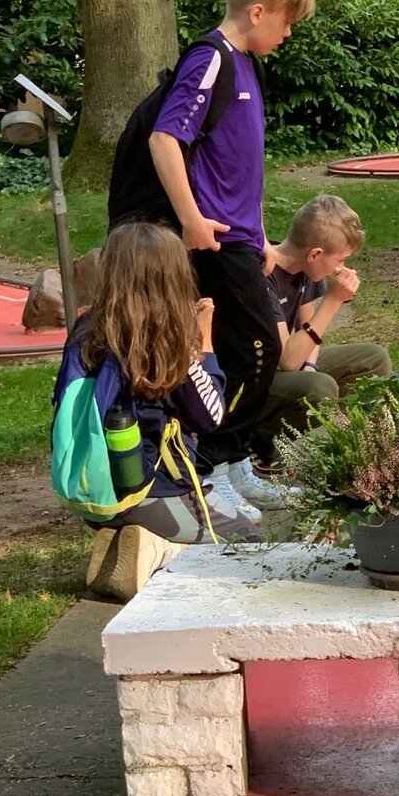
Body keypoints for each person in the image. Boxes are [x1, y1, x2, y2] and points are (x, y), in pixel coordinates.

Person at [149, 0, 315, 519]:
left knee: (246, 353)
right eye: (286, 22)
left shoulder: (249, 65)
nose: (288, 34)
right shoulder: (211, 59)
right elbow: (165, 138)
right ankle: (213, 464)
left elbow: (242, 164)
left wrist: (262, 234)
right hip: (214, 240)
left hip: (243, 237)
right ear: (258, 11)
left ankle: (232, 462)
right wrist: (192, 219)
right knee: (260, 350)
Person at [63, 223, 262, 600]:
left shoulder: (86, 330)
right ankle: (162, 550)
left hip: (92, 487)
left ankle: (121, 538)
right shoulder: (166, 342)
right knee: (249, 542)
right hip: (152, 491)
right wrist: (204, 344)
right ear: (173, 278)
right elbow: (211, 416)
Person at [250, 194, 392, 464]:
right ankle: (261, 441)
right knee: (319, 387)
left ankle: (351, 439)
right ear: (315, 254)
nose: (341, 268)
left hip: (282, 368)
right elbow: (288, 359)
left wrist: (311, 366)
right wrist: (333, 301)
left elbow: (307, 331)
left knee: (374, 359)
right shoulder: (264, 275)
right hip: (253, 379)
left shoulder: (304, 269)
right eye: (340, 260)